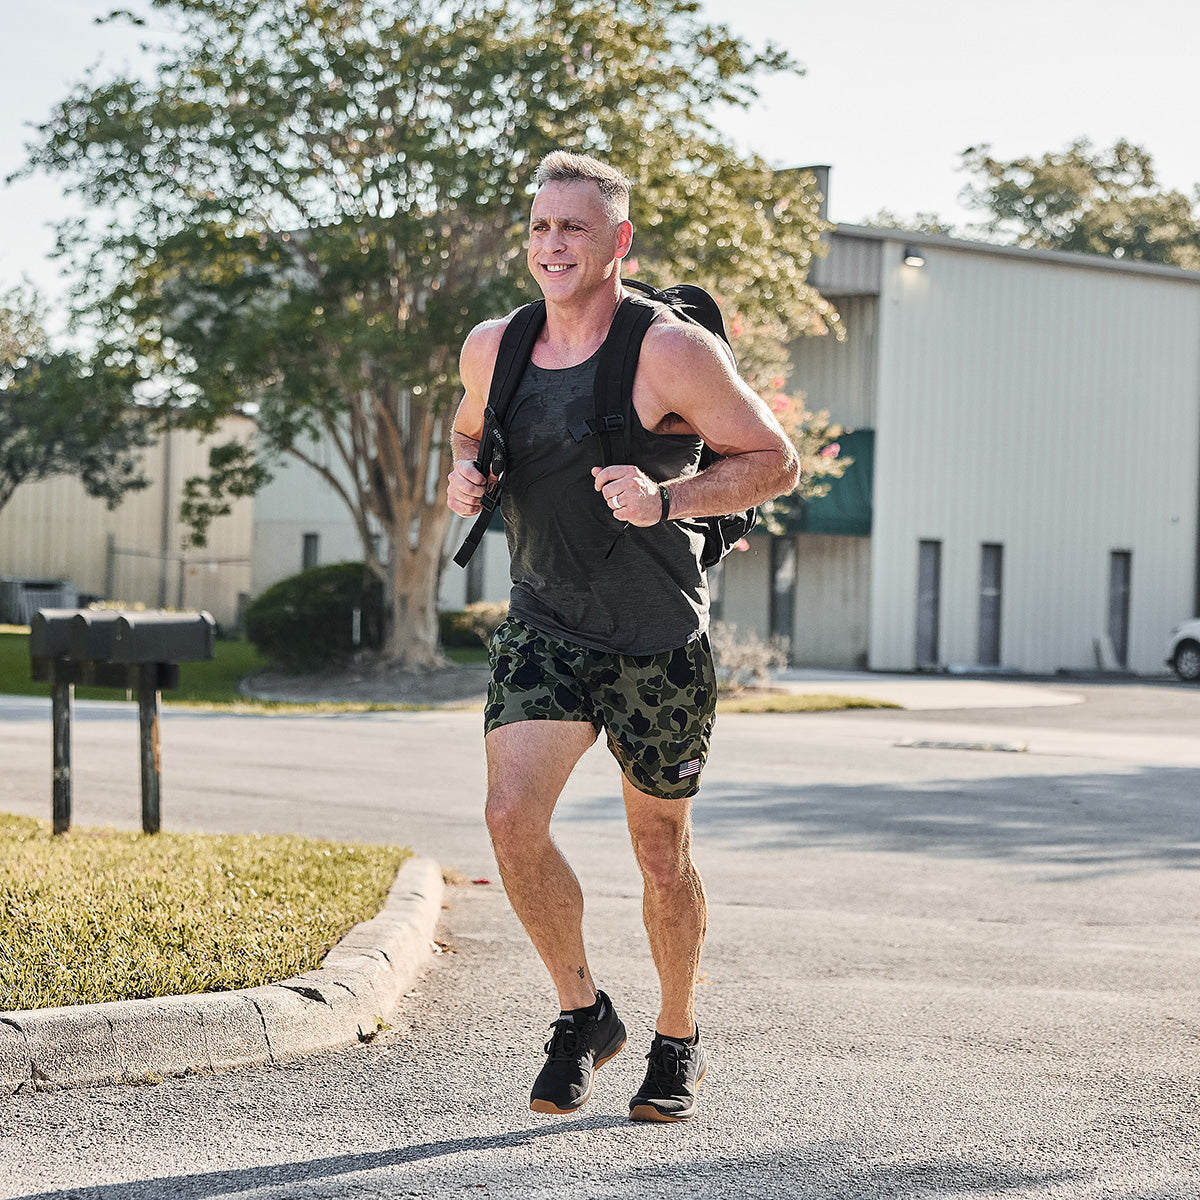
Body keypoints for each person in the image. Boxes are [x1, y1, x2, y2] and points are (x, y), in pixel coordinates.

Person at [446, 150, 800, 1122]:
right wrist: (466, 471)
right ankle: (582, 1012)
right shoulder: (497, 346)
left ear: (618, 242)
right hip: (545, 623)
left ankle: (676, 1034)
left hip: (655, 641)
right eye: (540, 227)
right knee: (510, 820)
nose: (554, 244)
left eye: (575, 227)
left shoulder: (670, 351)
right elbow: (469, 431)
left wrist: (668, 497)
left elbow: (776, 460)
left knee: (658, 853)